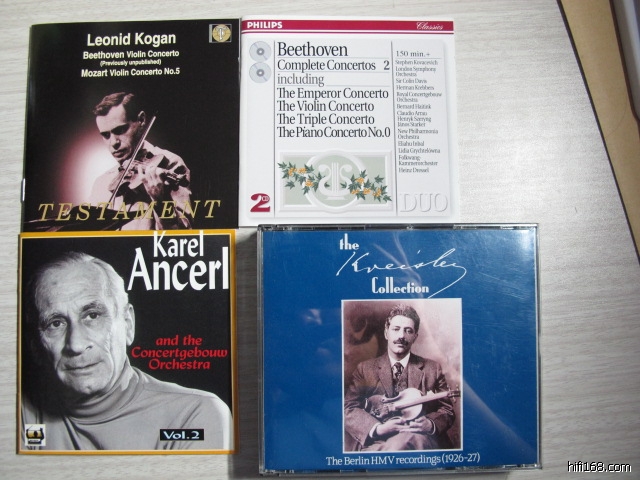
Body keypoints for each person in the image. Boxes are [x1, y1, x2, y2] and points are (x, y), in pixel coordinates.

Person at [21, 252, 232, 451]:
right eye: (55, 324)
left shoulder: (192, 415)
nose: (75, 345)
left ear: (128, 324)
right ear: (35, 346)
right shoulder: (23, 412)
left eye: (92, 316)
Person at [344, 304, 455, 451]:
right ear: (386, 333)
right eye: (396, 329)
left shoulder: (433, 368)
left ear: (415, 336)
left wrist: (430, 424)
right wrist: (378, 429)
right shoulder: (365, 369)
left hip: (419, 438)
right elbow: (349, 407)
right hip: (377, 442)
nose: (401, 336)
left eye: (408, 331)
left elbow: (446, 409)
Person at [89, 92, 192, 230]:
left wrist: (161, 201)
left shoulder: (170, 163)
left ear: (141, 120)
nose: (113, 142)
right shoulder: (101, 183)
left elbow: (183, 235)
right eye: (106, 135)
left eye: (120, 130)